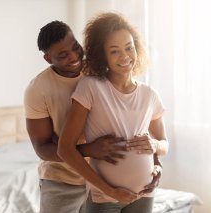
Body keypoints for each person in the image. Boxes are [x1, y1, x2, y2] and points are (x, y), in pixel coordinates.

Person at [24, 20, 162, 213]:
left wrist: (155, 163)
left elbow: (132, 123)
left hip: (104, 178)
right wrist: (89, 149)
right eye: (63, 55)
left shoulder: (97, 71)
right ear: (48, 59)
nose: (74, 58)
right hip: (63, 179)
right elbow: (41, 148)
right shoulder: (38, 89)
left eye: (75, 48)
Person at [57, 12, 169, 213]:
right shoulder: (90, 87)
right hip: (104, 197)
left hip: (145, 194)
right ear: (103, 55)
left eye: (129, 47)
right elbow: (65, 149)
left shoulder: (150, 94)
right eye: (114, 51)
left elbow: (164, 144)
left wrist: (155, 148)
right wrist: (111, 191)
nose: (125, 56)